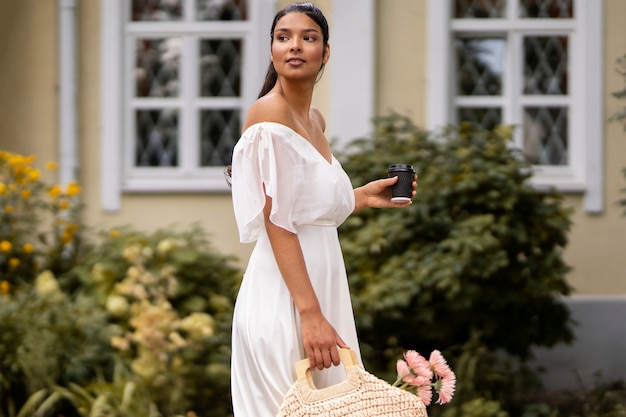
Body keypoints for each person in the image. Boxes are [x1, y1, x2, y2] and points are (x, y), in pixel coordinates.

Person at [228, 3, 417, 415]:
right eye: (283, 37)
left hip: (322, 294)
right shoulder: (268, 114)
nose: (294, 46)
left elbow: (307, 209)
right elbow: (278, 222)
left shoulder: (314, 119)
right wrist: (310, 315)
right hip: (285, 301)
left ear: (325, 52)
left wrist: (362, 196)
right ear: (273, 50)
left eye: (308, 37)